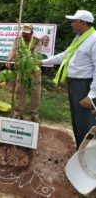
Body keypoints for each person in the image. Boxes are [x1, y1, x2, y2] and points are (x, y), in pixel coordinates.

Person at [38, 10, 96, 149]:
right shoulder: (79, 38)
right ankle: (79, 150)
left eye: (74, 21)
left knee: (85, 122)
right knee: (76, 120)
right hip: (75, 85)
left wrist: (91, 95)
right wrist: (42, 62)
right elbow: (64, 55)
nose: (71, 24)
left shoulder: (94, 40)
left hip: (85, 86)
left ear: (83, 23)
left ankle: (87, 156)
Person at [6, 24, 42, 122]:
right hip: (21, 71)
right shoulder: (18, 40)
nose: (24, 35)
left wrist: (26, 60)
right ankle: (18, 113)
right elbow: (13, 50)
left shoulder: (37, 42)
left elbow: (36, 56)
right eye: (23, 33)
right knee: (19, 91)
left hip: (34, 71)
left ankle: (34, 115)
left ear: (32, 33)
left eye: (27, 33)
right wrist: (9, 60)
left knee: (35, 92)